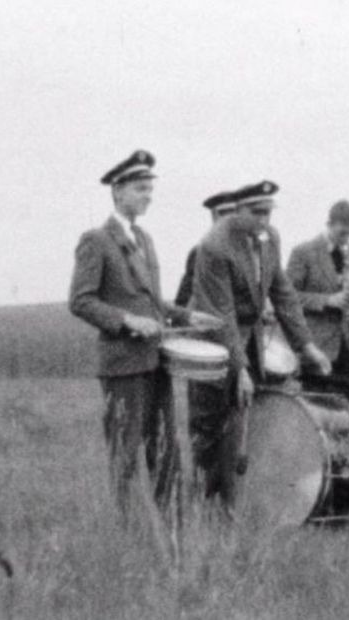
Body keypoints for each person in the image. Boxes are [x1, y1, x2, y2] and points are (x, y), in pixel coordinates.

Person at [68, 149, 221, 523]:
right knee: (124, 454)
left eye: (149, 189)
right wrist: (128, 321)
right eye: (140, 189)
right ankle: (128, 531)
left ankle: (173, 526)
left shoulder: (145, 239)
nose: (147, 196)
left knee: (165, 451)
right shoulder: (96, 240)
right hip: (123, 367)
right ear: (117, 192)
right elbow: (81, 300)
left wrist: (187, 315)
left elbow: (153, 301)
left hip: (156, 362)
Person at [189, 180, 332, 510]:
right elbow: (220, 313)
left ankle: (246, 504)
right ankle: (204, 508)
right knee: (210, 429)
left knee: (251, 424)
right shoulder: (214, 246)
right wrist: (238, 369)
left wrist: (306, 345)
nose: (264, 220)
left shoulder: (270, 238)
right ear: (236, 211)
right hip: (214, 345)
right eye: (257, 213)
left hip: (249, 339)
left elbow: (282, 292)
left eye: (268, 212)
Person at [286, 200, 349, 401]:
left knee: (346, 412)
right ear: (329, 224)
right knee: (317, 409)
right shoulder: (303, 252)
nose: (347, 239)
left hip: (348, 348)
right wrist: (327, 300)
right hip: (318, 347)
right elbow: (288, 296)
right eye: (342, 233)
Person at [174, 198, 242, 307]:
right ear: (214, 217)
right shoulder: (201, 251)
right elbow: (186, 294)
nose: (229, 220)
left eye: (234, 214)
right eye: (224, 214)